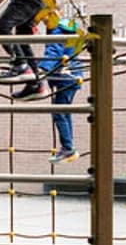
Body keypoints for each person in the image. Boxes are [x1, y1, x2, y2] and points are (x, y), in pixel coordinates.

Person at [25, 16, 85, 162]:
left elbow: (54, 51)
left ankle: (68, 148)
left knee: (58, 112)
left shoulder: (57, 30)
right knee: (64, 112)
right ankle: (69, 147)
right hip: (73, 75)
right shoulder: (68, 27)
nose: (41, 20)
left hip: (65, 77)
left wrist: (42, 70)